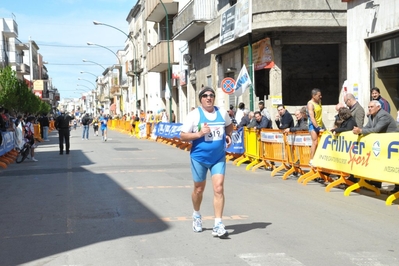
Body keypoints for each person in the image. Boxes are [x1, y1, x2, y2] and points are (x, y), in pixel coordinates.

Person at [180, 86, 233, 238]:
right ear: (201, 99)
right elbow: (183, 136)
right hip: (199, 158)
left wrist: (228, 135)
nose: (208, 98)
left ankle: (218, 224)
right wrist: (199, 133)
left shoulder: (222, 112)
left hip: (218, 157)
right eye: (205, 95)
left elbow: (229, 125)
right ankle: (196, 215)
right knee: (198, 189)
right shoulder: (194, 114)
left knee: (218, 188)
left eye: (211, 95)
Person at [353, 100, 399, 192]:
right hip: (382, 144)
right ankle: (376, 182)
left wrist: (361, 131)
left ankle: (397, 187)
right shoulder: (372, 116)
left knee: (393, 165)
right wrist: (359, 129)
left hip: (392, 144)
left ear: (378, 107)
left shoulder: (383, 115)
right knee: (378, 162)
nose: (369, 109)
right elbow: (368, 127)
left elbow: (377, 129)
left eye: (371, 107)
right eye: (369, 107)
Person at [307, 88, 325, 167]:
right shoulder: (310, 104)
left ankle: (319, 158)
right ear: (313, 96)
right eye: (318, 95)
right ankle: (311, 160)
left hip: (320, 124)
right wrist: (317, 127)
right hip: (313, 125)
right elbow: (312, 117)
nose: (320, 96)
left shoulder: (319, 102)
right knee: (315, 142)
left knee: (321, 143)